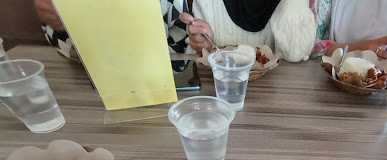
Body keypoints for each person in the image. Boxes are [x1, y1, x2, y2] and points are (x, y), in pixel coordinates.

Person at [34, 0, 190, 60]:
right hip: (91, 88)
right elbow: (68, 53)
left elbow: (180, 50)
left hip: (160, 83)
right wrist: (62, 25)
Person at [180, 0, 316, 62]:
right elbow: (200, 55)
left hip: (279, 101)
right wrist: (202, 43)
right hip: (222, 95)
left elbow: (295, 53)